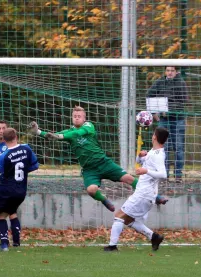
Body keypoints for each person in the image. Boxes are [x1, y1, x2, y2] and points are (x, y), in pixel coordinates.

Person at [29, 106, 167, 213]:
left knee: (129, 179)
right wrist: (38, 132)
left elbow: (78, 133)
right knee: (91, 190)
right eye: (74, 116)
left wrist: (59, 136)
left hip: (103, 162)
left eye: (79, 116)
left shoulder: (88, 126)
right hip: (89, 169)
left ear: (84, 118)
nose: (77, 118)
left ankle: (156, 197)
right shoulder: (68, 132)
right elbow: (53, 135)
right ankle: (105, 200)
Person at [103, 127, 169, 252]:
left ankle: (112, 246)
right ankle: (154, 237)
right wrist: (139, 157)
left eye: (153, 133)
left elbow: (163, 174)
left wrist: (146, 171)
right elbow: (141, 163)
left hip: (143, 195)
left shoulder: (158, 155)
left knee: (119, 216)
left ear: (154, 137)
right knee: (129, 220)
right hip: (145, 194)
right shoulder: (153, 152)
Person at [146, 66, 189, 182]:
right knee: (163, 148)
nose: (170, 73)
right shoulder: (159, 82)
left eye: (172, 71)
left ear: (176, 72)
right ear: (165, 71)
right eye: (168, 70)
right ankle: (163, 174)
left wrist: (168, 108)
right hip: (163, 120)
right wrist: (154, 112)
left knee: (178, 148)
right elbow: (149, 95)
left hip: (178, 119)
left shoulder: (181, 83)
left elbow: (184, 101)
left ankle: (178, 175)